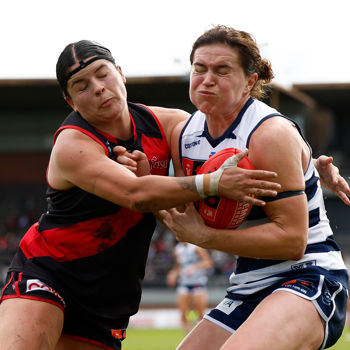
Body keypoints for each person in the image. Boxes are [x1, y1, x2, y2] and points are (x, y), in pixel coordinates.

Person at [0, 40, 284, 350]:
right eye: (81, 86)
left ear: (120, 74)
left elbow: (236, 131)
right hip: (48, 271)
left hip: (108, 298)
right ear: (70, 102)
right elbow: (136, 195)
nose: (97, 88)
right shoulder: (72, 144)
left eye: (102, 74)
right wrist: (212, 183)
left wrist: (305, 160)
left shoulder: (167, 124)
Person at [162, 25, 349, 350]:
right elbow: (186, 219)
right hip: (248, 282)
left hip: (309, 274)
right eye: (199, 68)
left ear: (250, 81)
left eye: (222, 70)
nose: (207, 79)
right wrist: (138, 175)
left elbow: (292, 241)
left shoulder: (269, 133)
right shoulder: (183, 135)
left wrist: (204, 237)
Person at [167, 236, 213, 334]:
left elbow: (208, 262)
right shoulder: (177, 250)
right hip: (183, 284)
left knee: (200, 315)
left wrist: (195, 267)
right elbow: (178, 267)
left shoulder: (196, 247)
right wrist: (173, 274)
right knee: (183, 316)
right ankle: (188, 340)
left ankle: (201, 338)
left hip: (198, 284)